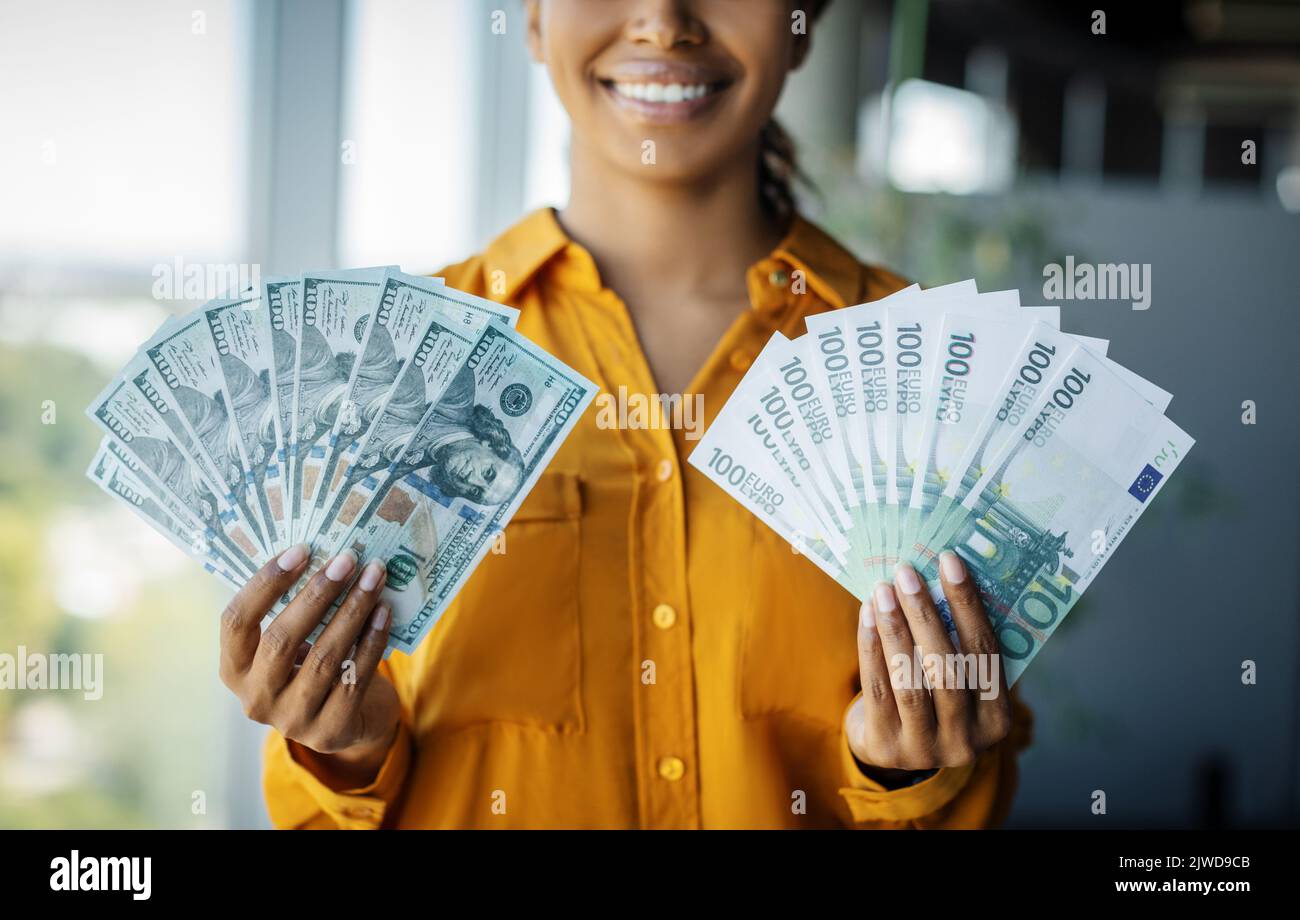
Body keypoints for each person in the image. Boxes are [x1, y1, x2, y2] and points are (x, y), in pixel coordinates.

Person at [219, 0, 1031, 829]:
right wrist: (344, 749)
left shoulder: (929, 365)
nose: (663, 19)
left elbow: (982, 782)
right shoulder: (389, 371)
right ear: (532, 19)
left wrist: (906, 772)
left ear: (802, 21)